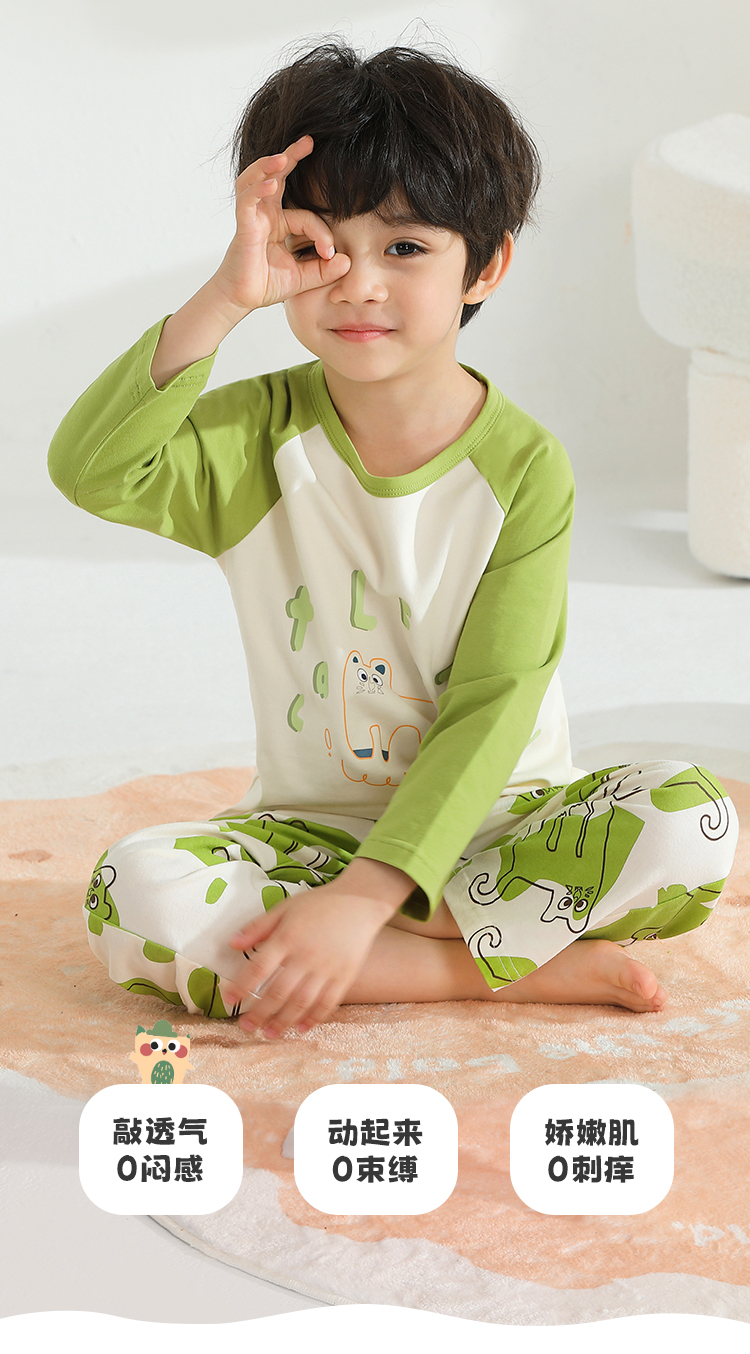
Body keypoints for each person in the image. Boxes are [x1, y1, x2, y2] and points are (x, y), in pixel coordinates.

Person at [48, 41, 738, 1038]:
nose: (358, 285)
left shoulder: (524, 467)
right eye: (316, 247)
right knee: (135, 894)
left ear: (486, 265)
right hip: (308, 840)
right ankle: (506, 963)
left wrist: (369, 900)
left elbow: (494, 705)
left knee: (690, 817)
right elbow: (92, 470)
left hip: (504, 825)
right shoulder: (254, 441)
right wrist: (227, 296)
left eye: (405, 248)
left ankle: (380, 946)